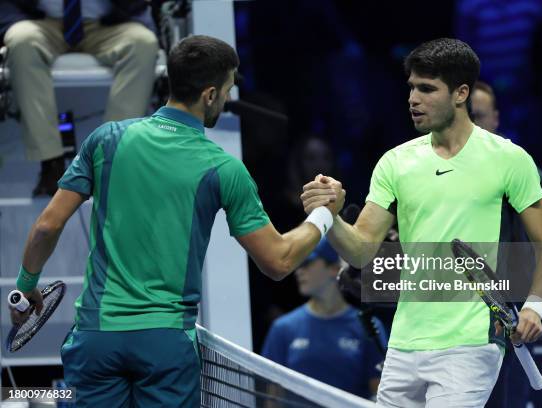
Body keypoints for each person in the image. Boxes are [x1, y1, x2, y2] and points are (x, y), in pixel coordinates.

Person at [7, 35, 344, 408]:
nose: (229, 97)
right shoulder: (224, 168)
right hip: (164, 345)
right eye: (229, 88)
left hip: (97, 337)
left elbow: (46, 226)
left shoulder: (106, 140)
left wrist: (26, 287)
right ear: (210, 95)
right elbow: (278, 262)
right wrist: (324, 214)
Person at [301, 38, 542, 407]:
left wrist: (535, 307)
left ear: (461, 93)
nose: (413, 98)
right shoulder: (394, 163)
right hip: (404, 342)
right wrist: (330, 216)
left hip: (470, 344)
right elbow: (361, 251)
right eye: (411, 87)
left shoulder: (509, 159)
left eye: (426, 89)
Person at [471, 80, 542, 408]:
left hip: (513, 318)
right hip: (456, 320)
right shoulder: (441, 172)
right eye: (466, 116)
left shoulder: (522, 171)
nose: (473, 124)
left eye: (479, 116)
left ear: (495, 119)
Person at [1, 0, 159, 196]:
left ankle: (112, 160)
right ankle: (51, 162)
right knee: (21, 39)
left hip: (105, 23)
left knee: (143, 43)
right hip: (41, 21)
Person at [262, 237, 388, 399]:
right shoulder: (282, 328)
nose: (298, 271)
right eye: (298, 264)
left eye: (307, 263)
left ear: (334, 269)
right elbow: (271, 397)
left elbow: (379, 393)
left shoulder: (368, 326)